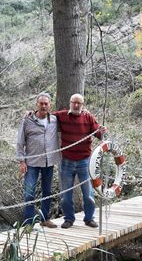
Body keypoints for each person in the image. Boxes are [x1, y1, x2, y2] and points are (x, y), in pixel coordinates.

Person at [54, 93, 105, 229]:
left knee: (88, 194)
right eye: (74, 102)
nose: (76, 105)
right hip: (67, 161)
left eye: (79, 103)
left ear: (83, 105)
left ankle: (89, 218)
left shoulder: (88, 117)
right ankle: (69, 219)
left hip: (84, 161)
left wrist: (102, 130)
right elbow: (46, 117)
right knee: (66, 195)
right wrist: (33, 113)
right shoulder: (61, 115)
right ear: (70, 103)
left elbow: (99, 134)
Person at [16, 92, 60, 228]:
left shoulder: (54, 120)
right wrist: (21, 161)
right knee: (29, 194)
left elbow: (71, 115)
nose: (43, 106)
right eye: (41, 103)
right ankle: (28, 224)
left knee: (47, 192)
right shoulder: (27, 120)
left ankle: (44, 219)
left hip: (49, 162)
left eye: (46, 104)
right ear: (37, 104)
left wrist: (85, 111)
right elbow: (19, 142)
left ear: (49, 105)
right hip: (32, 163)